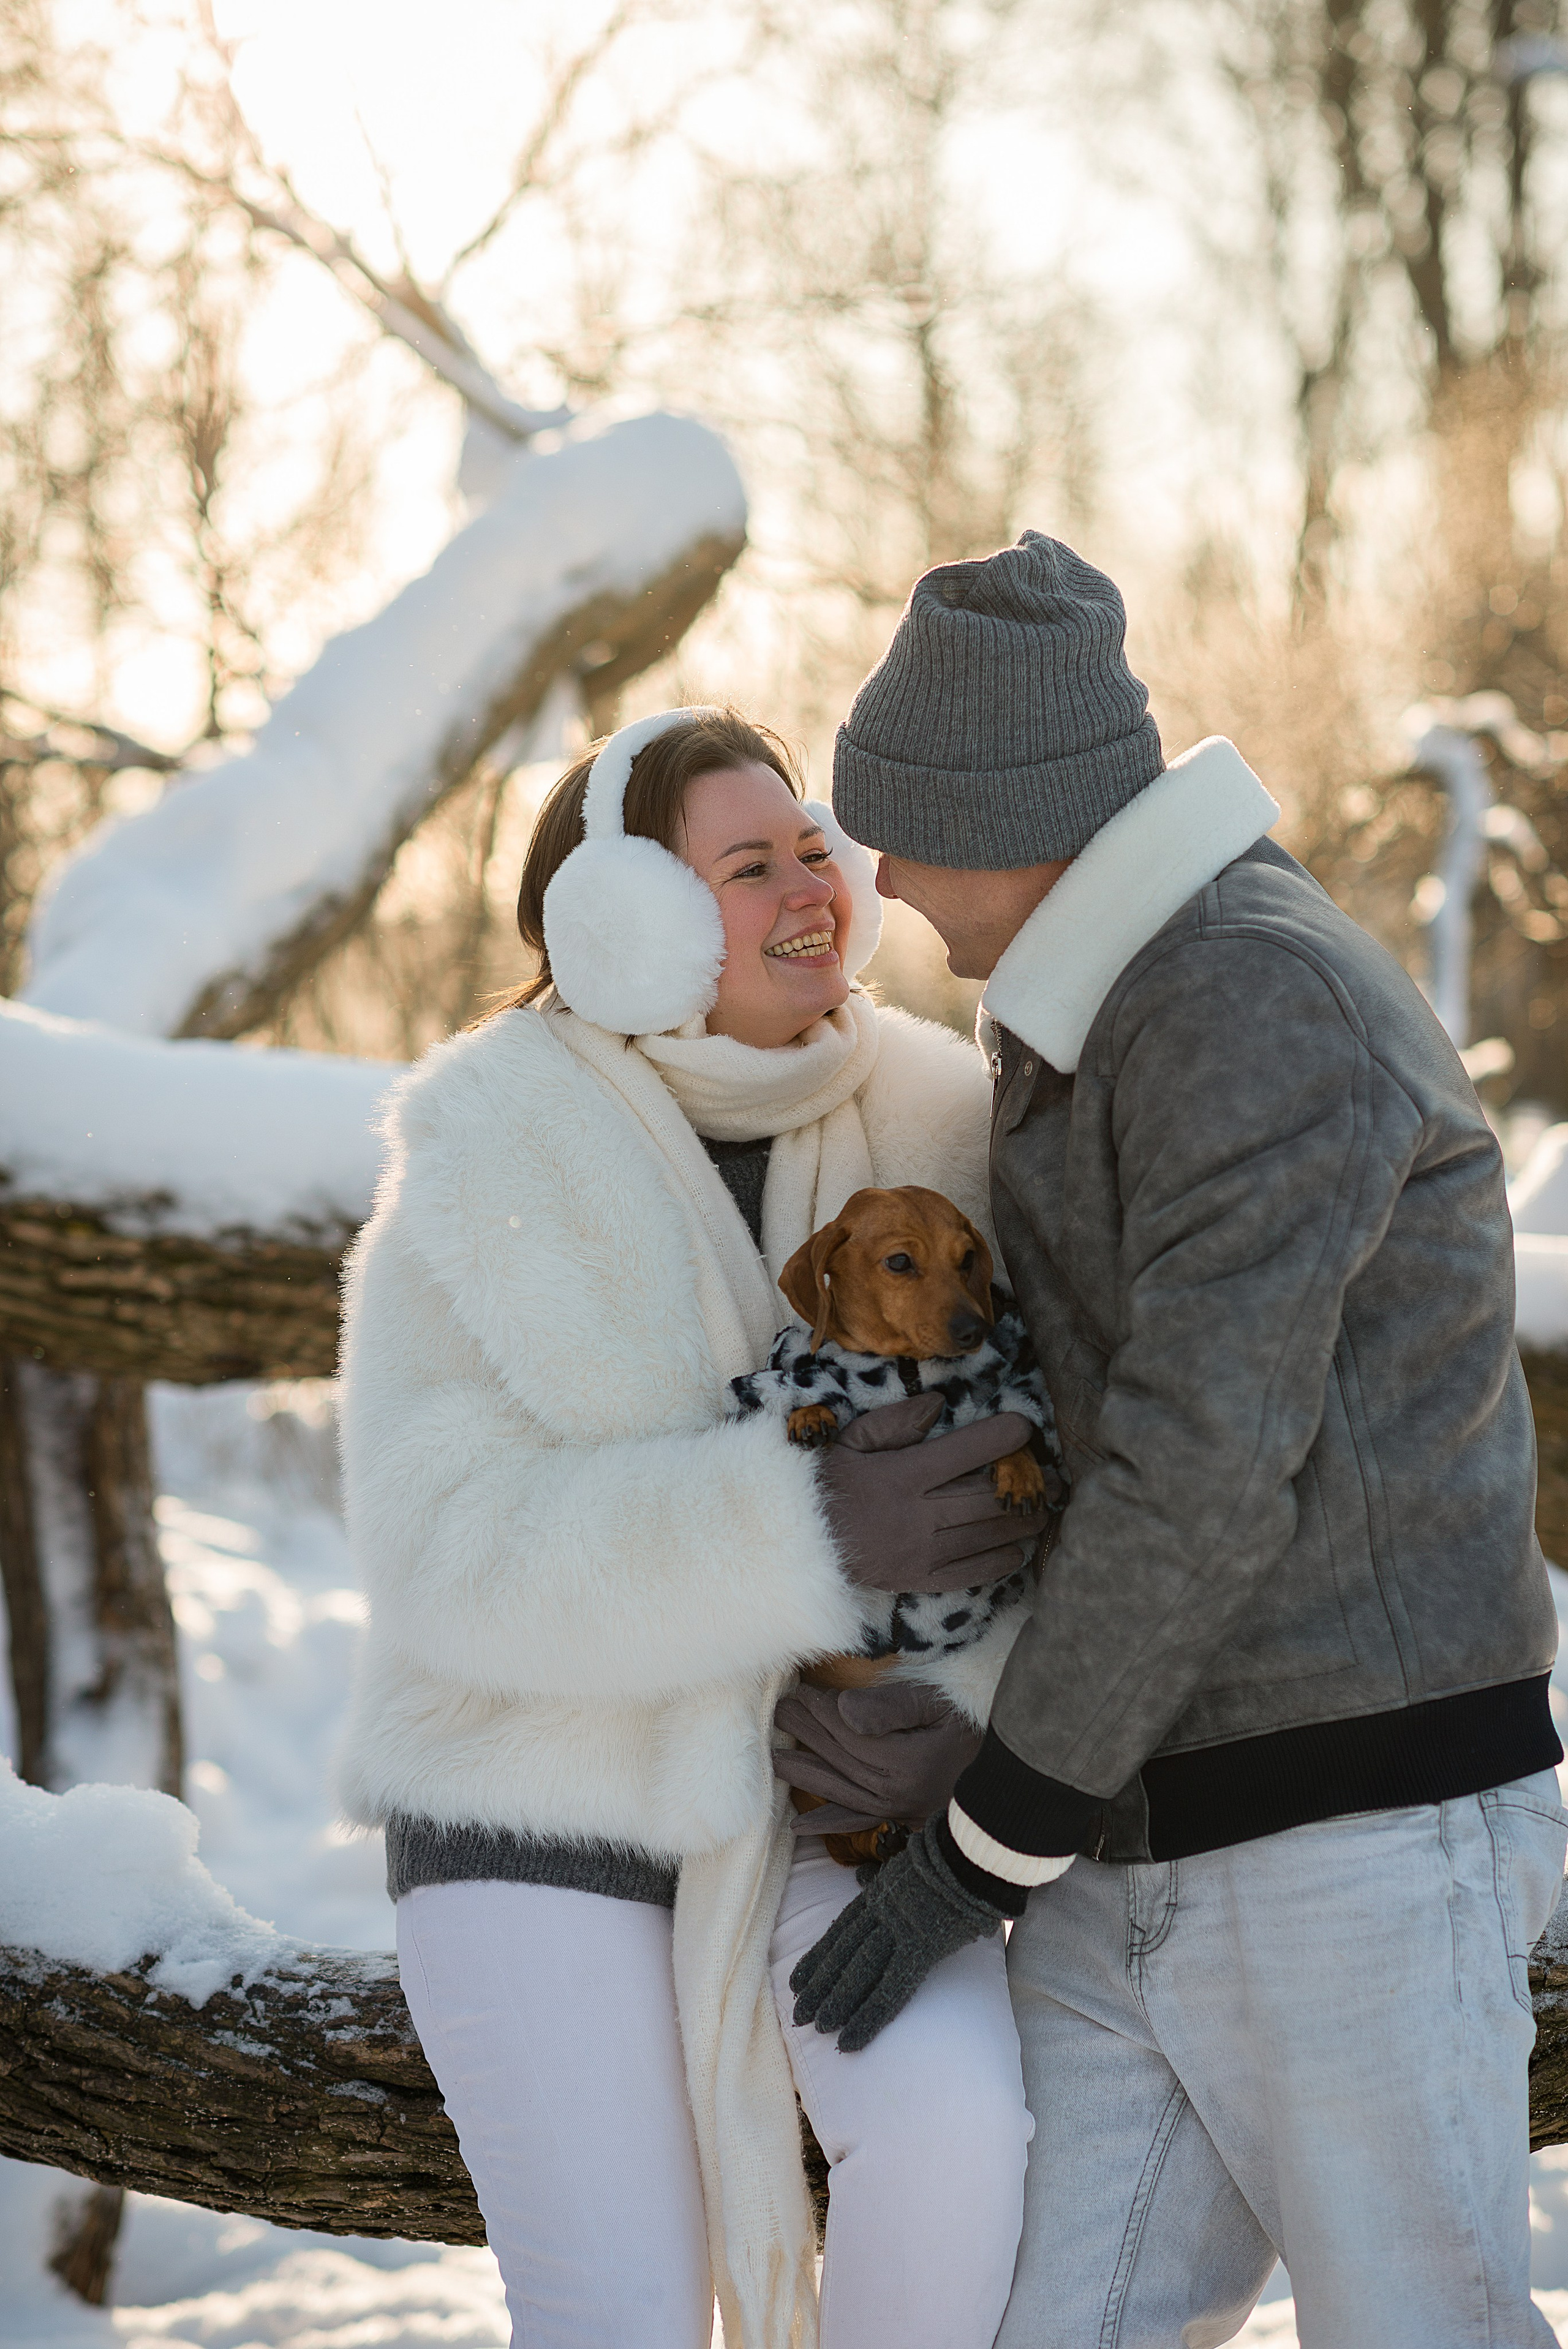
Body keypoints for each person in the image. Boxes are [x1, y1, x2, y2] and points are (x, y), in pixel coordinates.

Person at [785, 534, 1568, 2348]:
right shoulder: (1098, 1015)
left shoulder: (1247, 997)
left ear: (1015, 810)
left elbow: (1202, 1465)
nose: (882, 879)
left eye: (897, 827)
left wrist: (981, 1846)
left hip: (1350, 1829)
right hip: (1125, 1837)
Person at [334, 704, 1034, 2349]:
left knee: (954, 2137)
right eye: (749, 865)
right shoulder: (489, 1146)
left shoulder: (942, 1119)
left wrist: (961, 1719)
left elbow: (1039, 1481)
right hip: (540, 1789)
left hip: (829, 1804)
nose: (812, 889)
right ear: (623, 920)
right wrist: (791, 1524)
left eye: (815, 850)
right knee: (623, 2313)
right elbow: (444, 1549)